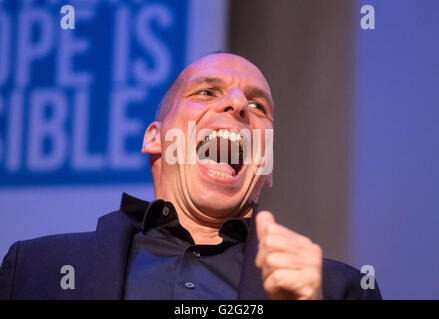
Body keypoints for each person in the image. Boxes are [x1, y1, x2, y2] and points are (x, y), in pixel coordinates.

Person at [0, 53, 381, 300]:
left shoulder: (340, 290)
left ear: (267, 166)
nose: (236, 104)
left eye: (257, 105)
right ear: (155, 138)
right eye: (205, 92)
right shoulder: (34, 270)